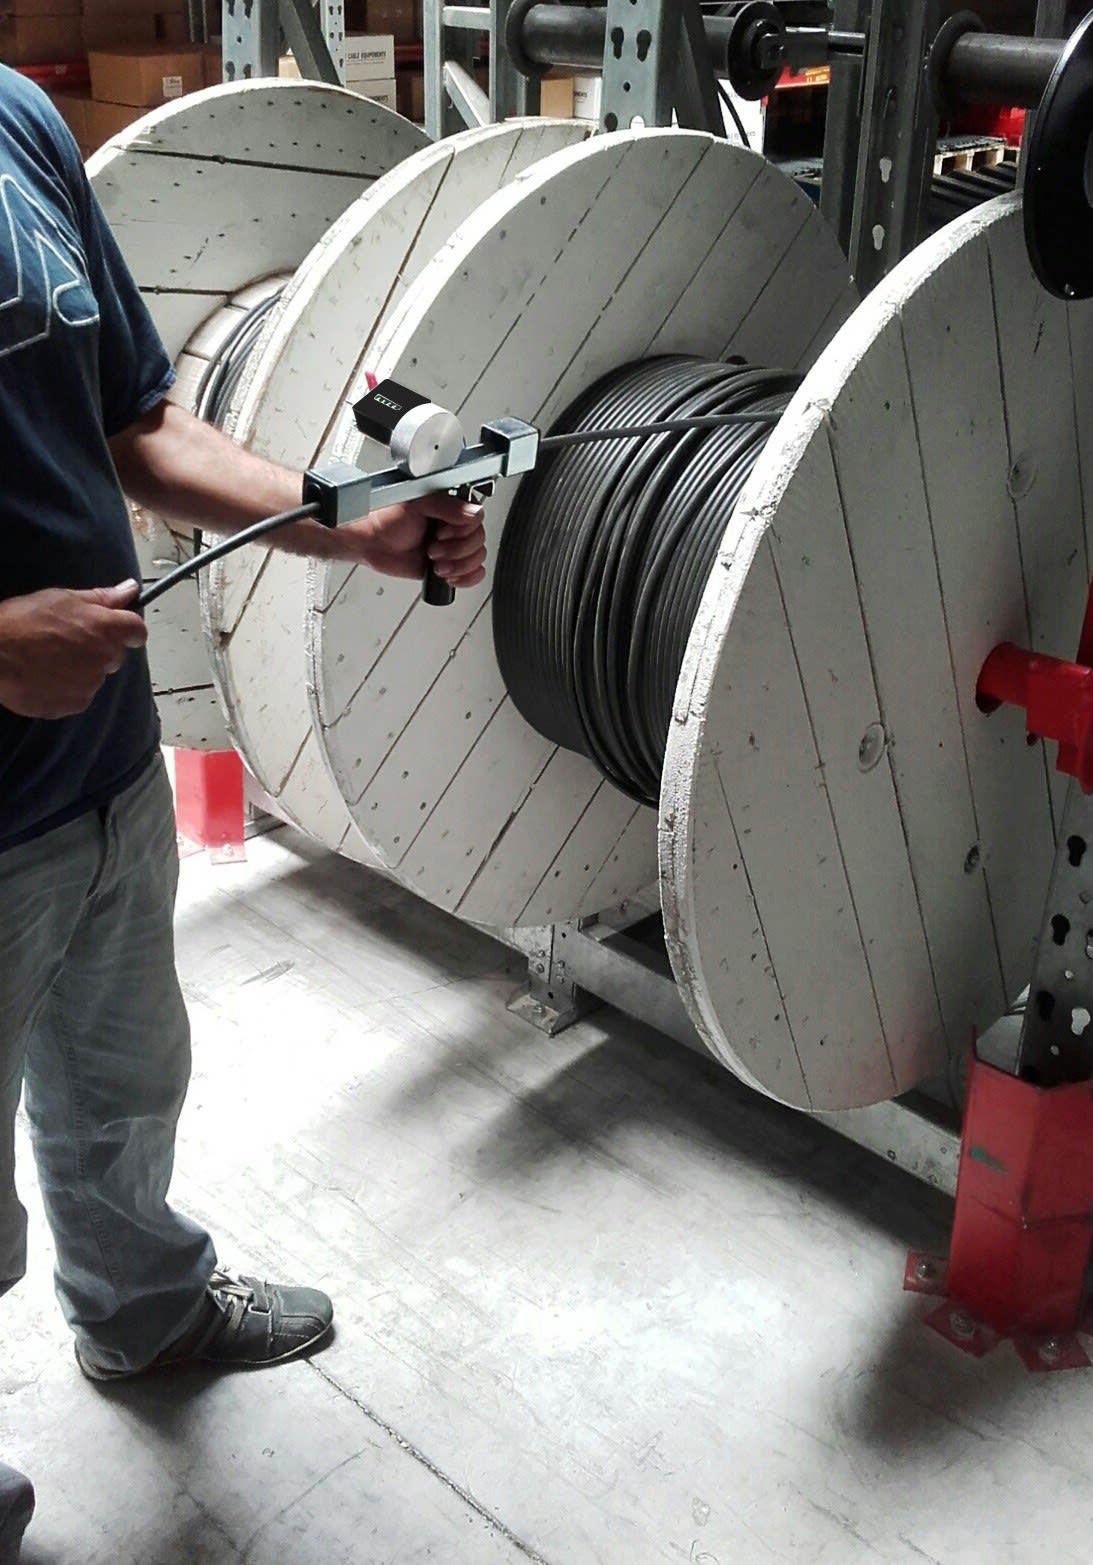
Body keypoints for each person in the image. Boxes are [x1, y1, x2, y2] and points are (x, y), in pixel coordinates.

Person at [0, 63, 487, 1561]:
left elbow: (139, 423)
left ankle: (142, 1311)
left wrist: (345, 521)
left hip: (100, 775)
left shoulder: (16, 118)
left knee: (124, 1082)